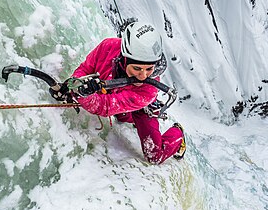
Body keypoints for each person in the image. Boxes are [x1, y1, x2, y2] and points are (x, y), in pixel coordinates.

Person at [51, 21, 186, 164]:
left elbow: (105, 106)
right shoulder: (107, 47)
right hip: (120, 99)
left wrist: (82, 93)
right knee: (121, 117)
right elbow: (85, 69)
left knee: (154, 155)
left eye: (149, 69)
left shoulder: (149, 90)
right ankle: (128, 116)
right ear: (125, 58)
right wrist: (75, 83)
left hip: (141, 108)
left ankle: (178, 134)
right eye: (137, 68)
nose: (143, 76)